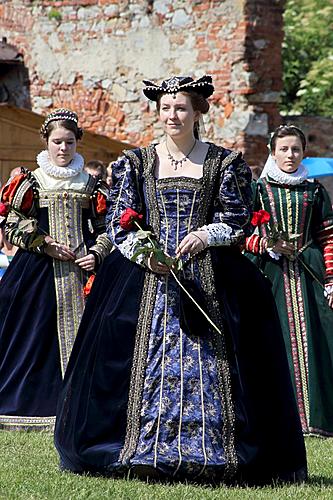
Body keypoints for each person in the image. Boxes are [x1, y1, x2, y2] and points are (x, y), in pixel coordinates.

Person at [55, 77, 306, 484]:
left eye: (181, 108)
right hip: (146, 278)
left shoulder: (223, 163)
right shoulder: (136, 163)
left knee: (223, 358)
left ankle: (214, 448)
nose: (172, 116)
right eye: (166, 108)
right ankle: (140, 444)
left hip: (207, 277)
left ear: (198, 112)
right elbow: (119, 220)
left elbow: (237, 218)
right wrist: (145, 253)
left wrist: (206, 235)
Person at [0, 108, 112, 431]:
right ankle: (36, 405)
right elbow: (12, 221)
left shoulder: (90, 185)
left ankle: (79, 405)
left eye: (69, 143)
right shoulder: (33, 182)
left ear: (78, 143)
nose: (63, 149)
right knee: (33, 336)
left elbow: (108, 229)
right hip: (37, 272)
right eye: (57, 142)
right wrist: (44, 242)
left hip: (81, 274)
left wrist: (96, 253)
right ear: (46, 142)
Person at [245, 124, 333, 437]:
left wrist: (331, 278)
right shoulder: (259, 189)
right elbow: (241, 234)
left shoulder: (314, 190)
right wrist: (267, 245)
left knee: (319, 338)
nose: (290, 155)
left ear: (303, 152)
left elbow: (328, 235)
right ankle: (282, 418)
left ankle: (318, 418)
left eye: (295, 149)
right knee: (274, 339)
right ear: (272, 152)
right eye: (283, 149)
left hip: (309, 273)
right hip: (272, 274)